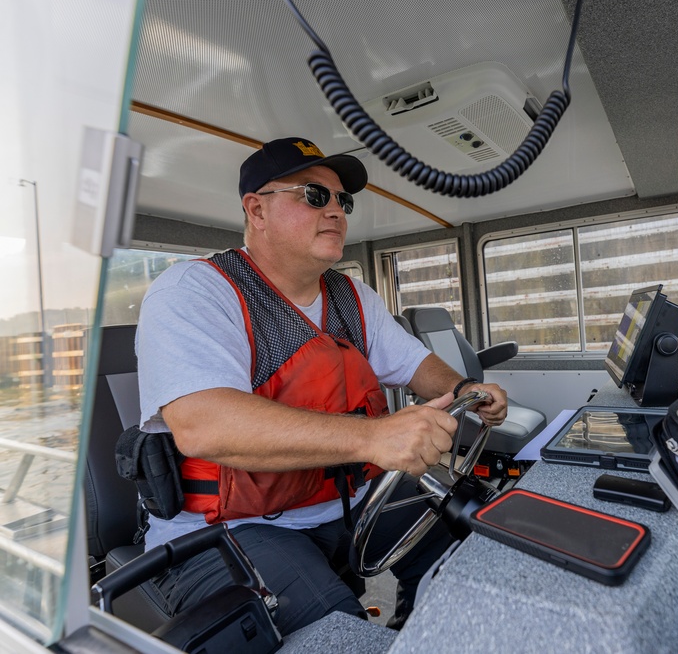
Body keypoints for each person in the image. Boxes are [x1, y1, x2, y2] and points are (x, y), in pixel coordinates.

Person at [134, 137, 508, 634]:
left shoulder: (353, 296)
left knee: (477, 552)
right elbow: (205, 426)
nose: (336, 210)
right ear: (257, 209)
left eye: (342, 201)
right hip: (223, 529)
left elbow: (417, 364)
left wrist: (463, 388)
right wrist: (375, 437)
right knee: (338, 636)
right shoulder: (194, 291)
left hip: (345, 504)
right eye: (315, 196)